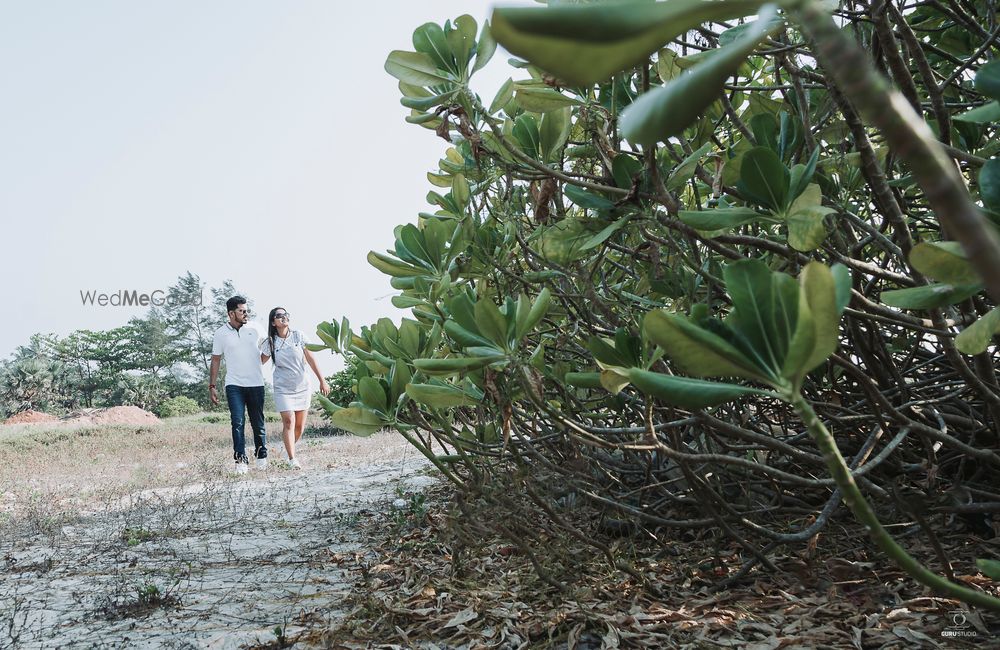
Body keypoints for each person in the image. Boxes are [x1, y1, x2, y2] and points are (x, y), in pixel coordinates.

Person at [259, 307, 328, 469]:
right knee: (289, 421)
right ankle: (292, 459)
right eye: (279, 316)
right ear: (273, 322)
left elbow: (311, 359)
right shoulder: (270, 342)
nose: (284, 318)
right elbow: (259, 362)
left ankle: (289, 448)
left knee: (299, 427)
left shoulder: (299, 336)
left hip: (302, 387)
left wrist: (322, 380)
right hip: (283, 388)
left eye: (286, 315)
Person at [209, 296, 268, 474]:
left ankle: (262, 457)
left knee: (258, 422)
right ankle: (241, 461)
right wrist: (212, 386)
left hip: (256, 383)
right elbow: (216, 359)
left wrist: (257, 364)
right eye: (242, 311)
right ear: (231, 313)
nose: (245, 313)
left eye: (246, 310)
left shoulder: (256, 328)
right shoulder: (220, 333)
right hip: (234, 384)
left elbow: (268, 348)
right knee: (237, 421)